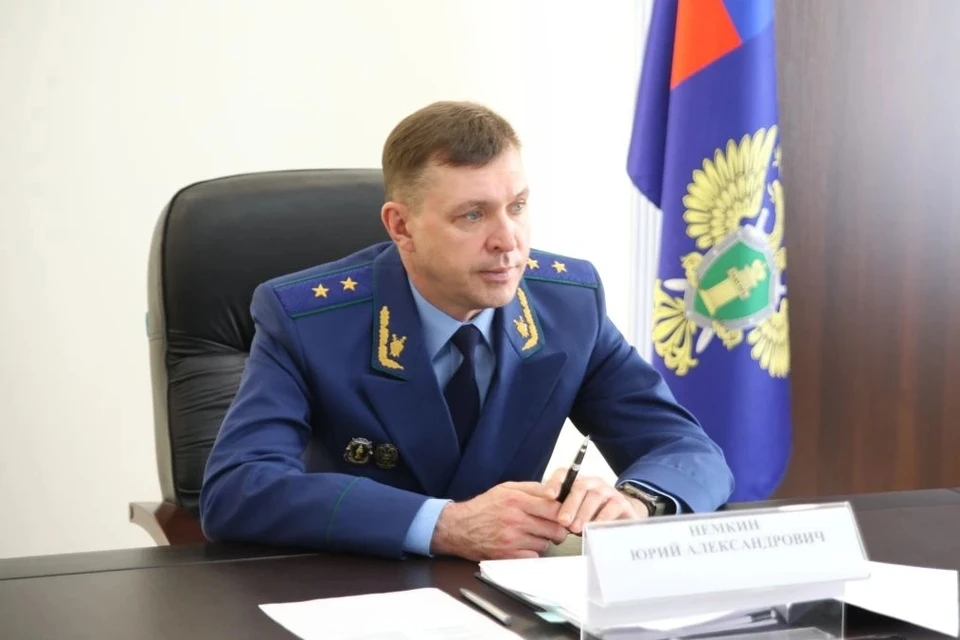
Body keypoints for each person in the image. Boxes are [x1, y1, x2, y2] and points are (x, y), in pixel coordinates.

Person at [199, 100, 734, 561]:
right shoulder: (307, 319)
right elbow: (238, 488)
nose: (509, 240)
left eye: (517, 207)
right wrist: (443, 525)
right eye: (473, 216)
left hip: (514, 596)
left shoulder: (568, 303)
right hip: (359, 590)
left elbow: (689, 449)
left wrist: (637, 503)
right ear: (401, 226)